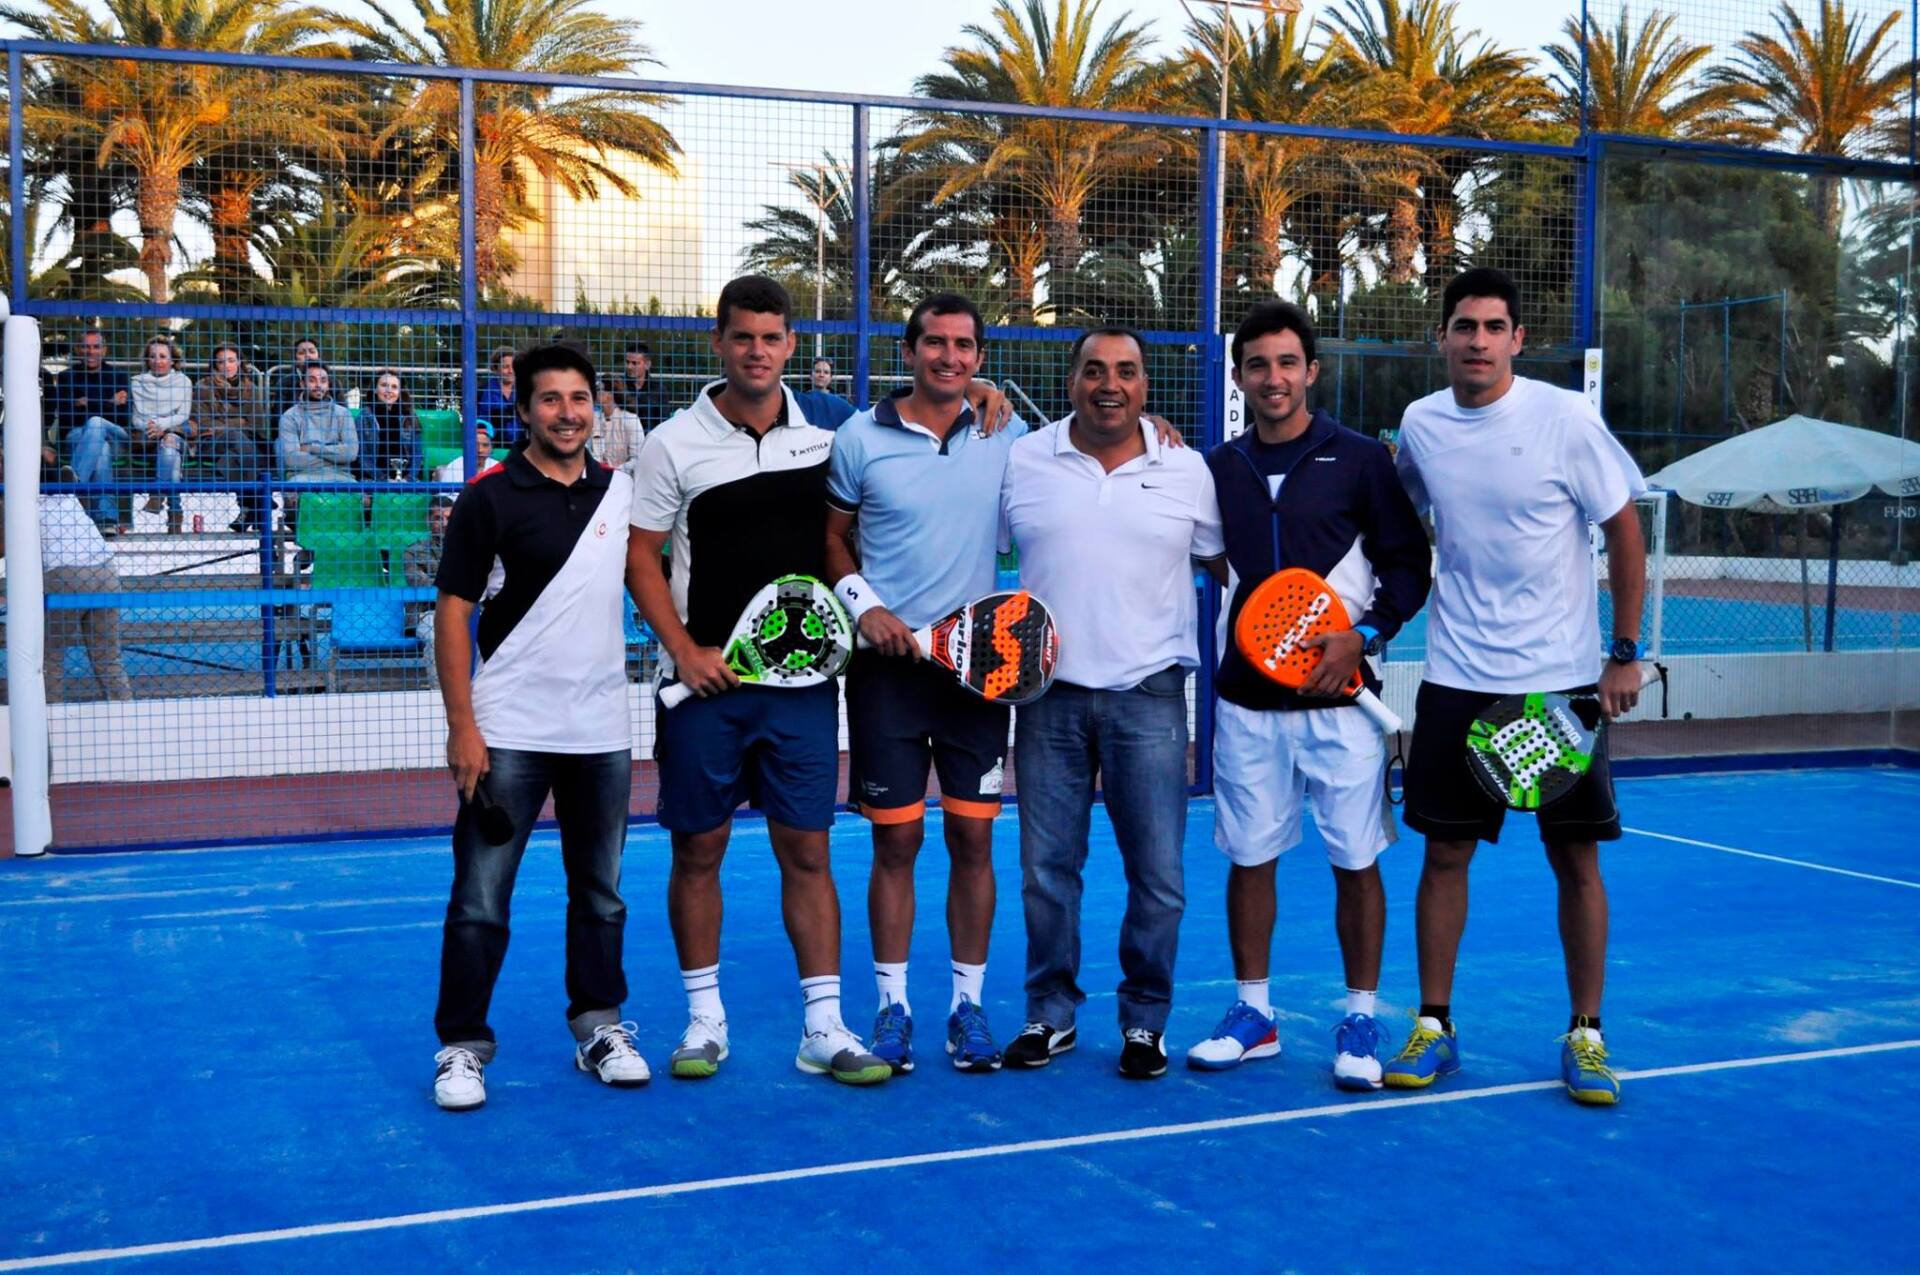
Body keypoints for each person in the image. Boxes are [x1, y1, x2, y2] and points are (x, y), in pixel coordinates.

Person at [1384, 267, 1648, 1107]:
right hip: (1457, 678)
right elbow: (1396, 512)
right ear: (1442, 337)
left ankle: (1587, 1034)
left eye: (1494, 327)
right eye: (1464, 326)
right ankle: (1435, 1025)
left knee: (1576, 859)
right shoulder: (1421, 424)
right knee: (1444, 856)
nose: (1478, 341)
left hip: (1561, 684)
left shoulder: (1566, 418)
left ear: (1518, 339)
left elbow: (1624, 528)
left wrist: (1625, 652)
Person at [627, 274, 891, 1086]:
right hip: (704, 690)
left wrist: (984, 392)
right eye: (743, 336)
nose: (757, 351)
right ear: (718, 341)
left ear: (790, 345)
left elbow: (918, 415)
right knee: (698, 848)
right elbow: (641, 556)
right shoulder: (672, 442)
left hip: (804, 691)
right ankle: (705, 1020)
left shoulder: (831, 430)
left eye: (772, 337)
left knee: (807, 850)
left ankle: (824, 1026)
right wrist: (684, 649)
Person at [1186, 301, 1430, 1089]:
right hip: (1248, 706)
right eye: (1258, 364)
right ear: (1239, 377)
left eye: (1287, 362)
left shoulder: (1360, 459)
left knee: (1356, 859)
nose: (1274, 377)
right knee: (1249, 857)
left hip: (1342, 707)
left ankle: (1360, 1018)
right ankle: (1253, 1014)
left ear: (1311, 371)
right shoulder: (1217, 468)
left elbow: (1408, 564)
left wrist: (1366, 633)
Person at [997, 327, 1225, 1080]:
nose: (1109, 385)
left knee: (1158, 876)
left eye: (1126, 372)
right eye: (1094, 370)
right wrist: (979, 395)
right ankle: (1050, 1014)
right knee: (1045, 871)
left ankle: (1145, 1022)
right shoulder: (1022, 458)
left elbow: (1228, 563)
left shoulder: (1186, 467)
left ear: (1145, 386)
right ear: (1071, 382)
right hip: (1046, 697)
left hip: (1149, 697)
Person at [428, 343, 648, 1111]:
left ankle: (600, 1028)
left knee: (601, 894)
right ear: (522, 409)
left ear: (597, 407)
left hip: (600, 732)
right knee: (480, 898)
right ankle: (461, 1046)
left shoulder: (622, 493)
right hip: (508, 729)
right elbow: (451, 615)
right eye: (549, 399)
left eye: (579, 397)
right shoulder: (488, 498)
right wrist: (462, 726)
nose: (566, 412)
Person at [824, 293, 1027, 1076]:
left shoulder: (1008, 434)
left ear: (980, 356)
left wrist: (1158, 433)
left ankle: (967, 1008)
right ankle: (894, 1007)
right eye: (934, 343)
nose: (949, 356)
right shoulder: (858, 436)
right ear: (908, 351)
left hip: (977, 674)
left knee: (973, 837)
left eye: (963, 345)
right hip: (888, 674)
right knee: (897, 839)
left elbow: (1081, 454)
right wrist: (865, 606)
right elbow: (832, 537)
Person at [51, 329, 131, 531]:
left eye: (96, 347)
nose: (91, 351)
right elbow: (68, 417)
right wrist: (110, 403)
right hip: (77, 435)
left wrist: (87, 403)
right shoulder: (66, 377)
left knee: (96, 423)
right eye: (86, 346)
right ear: (78, 349)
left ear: (104, 350)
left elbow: (123, 417)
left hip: (115, 436)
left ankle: (74, 486)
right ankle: (106, 519)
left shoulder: (119, 376)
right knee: (101, 449)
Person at [192, 344, 268, 533]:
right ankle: (258, 501)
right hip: (210, 443)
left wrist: (223, 424)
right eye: (221, 362)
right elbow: (204, 424)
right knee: (236, 436)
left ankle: (249, 507)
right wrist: (239, 422)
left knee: (231, 456)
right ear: (214, 365)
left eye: (231, 360)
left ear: (239, 362)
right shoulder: (202, 387)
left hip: (243, 446)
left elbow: (257, 425)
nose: (226, 365)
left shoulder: (251, 389)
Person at [129, 338, 193, 533]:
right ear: (147, 360)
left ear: (173, 360)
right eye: (153, 356)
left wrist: (162, 426)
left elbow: (183, 415)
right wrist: (151, 427)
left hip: (173, 432)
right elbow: (135, 418)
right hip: (146, 436)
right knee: (172, 456)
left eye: (163, 356)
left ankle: (157, 496)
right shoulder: (137, 382)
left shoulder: (183, 382)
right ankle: (175, 512)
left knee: (170, 445)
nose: (158, 361)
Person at [277, 362, 359, 485]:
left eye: (323, 380)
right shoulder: (289, 416)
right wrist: (336, 458)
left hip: (341, 476)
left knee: (359, 493)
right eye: (312, 380)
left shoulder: (343, 414)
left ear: (328, 384)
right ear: (302, 384)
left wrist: (311, 448)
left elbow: (350, 453)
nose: (318, 385)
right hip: (301, 477)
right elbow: (292, 460)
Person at [405, 495, 452, 689]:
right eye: (438, 518)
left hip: (468, 609)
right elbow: (419, 583)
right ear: (428, 520)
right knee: (434, 637)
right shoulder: (413, 551)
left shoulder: (469, 547)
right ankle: (438, 692)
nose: (444, 523)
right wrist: (457, 584)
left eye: (449, 518)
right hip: (429, 611)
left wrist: (442, 582)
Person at [357, 369, 423, 484]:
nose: (389, 390)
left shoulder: (410, 416)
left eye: (394, 387)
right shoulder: (364, 416)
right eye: (384, 385)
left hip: (406, 481)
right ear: (375, 389)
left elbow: (417, 454)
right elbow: (362, 457)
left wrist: (408, 479)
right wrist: (384, 479)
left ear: (400, 391)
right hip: (373, 479)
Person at [606, 341, 668, 425]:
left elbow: (664, 421)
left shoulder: (658, 389)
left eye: (635, 363)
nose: (629, 367)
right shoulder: (617, 385)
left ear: (647, 365)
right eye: (627, 362)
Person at [793, 356, 856, 429]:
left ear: (830, 378)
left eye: (826, 372)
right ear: (811, 376)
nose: (821, 375)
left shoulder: (841, 400)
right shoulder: (801, 399)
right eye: (817, 371)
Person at [269, 337, 323, 421]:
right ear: (295, 358)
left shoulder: (332, 382)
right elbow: (278, 415)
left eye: (312, 352)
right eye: (302, 353)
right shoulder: (285, 383)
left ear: (318, 355)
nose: (307, 355)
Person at [476, 346, 520, 447]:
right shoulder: (485, 391)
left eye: (514, 366)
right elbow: (482, 422)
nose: (511, 371)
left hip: (521, 444)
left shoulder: (524, 390)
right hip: (494, 445)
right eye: (505, 367)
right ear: (495, 369)